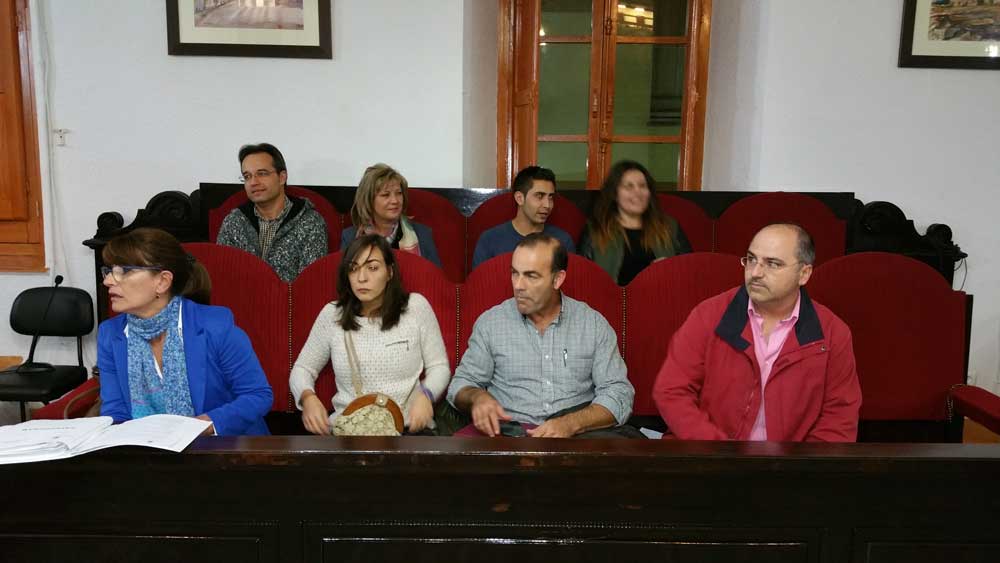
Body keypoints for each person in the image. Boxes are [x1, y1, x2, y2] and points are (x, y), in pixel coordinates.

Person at [653, 223, 861, 442]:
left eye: (772, 264)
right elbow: (671, 390)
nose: (755, 273)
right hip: (707, 454)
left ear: (804, 274)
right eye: (751, 259)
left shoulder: (832, 332)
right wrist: (719, 451)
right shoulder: (708, 315)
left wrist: (801, 462)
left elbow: (839, 416)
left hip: (794, 461)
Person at [447, 233, 636, 438]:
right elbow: (460, 385)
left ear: (557, 279)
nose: (518, 285)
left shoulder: (592, 324)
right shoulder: (491, 323)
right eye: (514, 273)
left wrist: (571, 424)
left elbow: (619, 394)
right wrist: (477, 397)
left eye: (531, 276)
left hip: (576, 438)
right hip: (510, 437)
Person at [98, 228, 273, 436]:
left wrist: (201, 426)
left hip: (227, 446)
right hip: (148, 448)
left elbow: (257, 395)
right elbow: (115, 411)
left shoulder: (215, 327)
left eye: (123, 271)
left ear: (162, 281)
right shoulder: (111, 334)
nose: (108, 281)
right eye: (109, 271)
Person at [290, 234, 451, 434]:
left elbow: (439, 367)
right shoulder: (333, 314)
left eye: (372, 268)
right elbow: (302, 369)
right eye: (354, 268)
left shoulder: (416, 307)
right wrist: (308, 398)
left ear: (390, 271)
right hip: (350, 431)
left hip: (407, 430)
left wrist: (426, 394)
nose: (362, 278)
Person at [216, 142, 328, 282]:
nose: (253, 182)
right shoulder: (233, 222)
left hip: (290, 296)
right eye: (247, 176)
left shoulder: (310, 222)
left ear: (282, 177)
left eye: (262, 174)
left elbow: (310, 282)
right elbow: (222, 275)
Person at [579, 160, 690, 285]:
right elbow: (582, 279)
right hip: (612, 297)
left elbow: (691, 272)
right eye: (629, 186)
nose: (638, 192)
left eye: (642, 186)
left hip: (661, 295)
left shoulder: (669, 227)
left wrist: (671, 269)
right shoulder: (596, 230)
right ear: (614, 194)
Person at [472, 166, 576, 269]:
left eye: (550, 197)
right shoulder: (490, 240)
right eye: (539, 196)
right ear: (519, 198)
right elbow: (481, 279)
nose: (547, 205)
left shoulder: (562, 241)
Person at [341, 163, 442, 268]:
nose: (395, 201)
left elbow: (435, 277)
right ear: (369, 200)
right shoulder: (350, 237)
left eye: (399, 193)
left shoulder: (422, 234)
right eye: (386, 195)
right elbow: (343, 276)